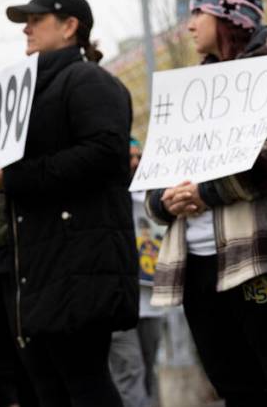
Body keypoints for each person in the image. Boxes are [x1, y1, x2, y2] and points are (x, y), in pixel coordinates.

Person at [145, 0, 267, 407]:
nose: (188, 26)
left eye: (197, 14)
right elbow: (156, 176)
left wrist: (205, 192)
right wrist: (165, 200)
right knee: (236, 389)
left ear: (229, 17)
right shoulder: (187, 91)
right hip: (197, 264)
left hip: (264, 254)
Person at [0, 0, 138, 406]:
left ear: (70, 26)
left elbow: (106, 153)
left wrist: (14, 178)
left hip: (80, 266)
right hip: (42, 265)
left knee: (83, 383)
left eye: (37, 19)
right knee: (51, 388)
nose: (26, 28)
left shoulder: (88, 80)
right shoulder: (28, 94)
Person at [109, 139, 165, 407]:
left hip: (152, 302)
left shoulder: (152, 196)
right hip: (120, 301)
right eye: (128, 156)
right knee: (130, 372)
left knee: (149, 371)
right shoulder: (110, 197)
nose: (134, 162)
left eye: (138, 156)